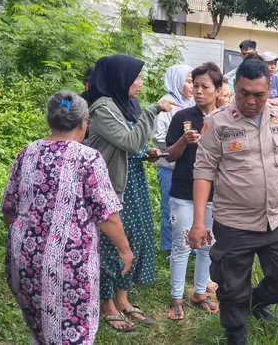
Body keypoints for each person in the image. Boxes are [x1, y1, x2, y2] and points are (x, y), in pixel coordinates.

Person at [188, 57, 278, 345]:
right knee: (231, 286)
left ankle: (255, 302)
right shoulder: (217, 123)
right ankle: (235, 333)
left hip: (275, 218)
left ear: (269, 90)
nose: (251, 101)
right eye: (244, 93)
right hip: (234, 223)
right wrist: (198, 222)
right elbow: (203, 172)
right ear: (233, 88)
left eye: (259, 94)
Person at [2, 92, 132, 343]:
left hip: (23, 260)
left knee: (39, 328)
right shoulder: (87, 158)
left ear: (49, 120)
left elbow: (9, 210)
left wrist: (30, 242)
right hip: (69, 265)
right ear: (84, 123)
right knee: (74, 334)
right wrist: (124, 250)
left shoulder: (26, 153)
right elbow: (106, 215)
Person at [84, 54, 173, 330]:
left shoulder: (126, 104)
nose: (141, 83)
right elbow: (129, 140)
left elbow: (135, 144)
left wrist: (148, 152)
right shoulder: (102, 108)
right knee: (112, 242)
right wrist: (154, 110)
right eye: (137, 78)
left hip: (132, 180)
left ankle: (123, 297)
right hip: (111, 183)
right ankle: (106, 301)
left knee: (135, 236)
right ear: (120, 79)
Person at [164, 63, 224, 320]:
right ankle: (176, 298)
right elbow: (170, 155)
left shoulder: (226, 118)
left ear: (218, 90)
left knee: (207, 246)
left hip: (215, 193)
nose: (198, 91)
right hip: (183, 191)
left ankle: (200, 292)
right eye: (195, 85)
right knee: (181, 245)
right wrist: (182, 141)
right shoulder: (182, 117)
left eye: (205, 86)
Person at [152, 65, 194, 255]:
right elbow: (158, 136)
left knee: (190, 206)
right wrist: (179, 142)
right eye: (189, 81)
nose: (193, 86)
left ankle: (189, 243)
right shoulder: (166, 103)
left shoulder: (191, 102)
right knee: (170, 208)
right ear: (177, 81)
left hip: (188, 166)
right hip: (169, 166)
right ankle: (170, 246)